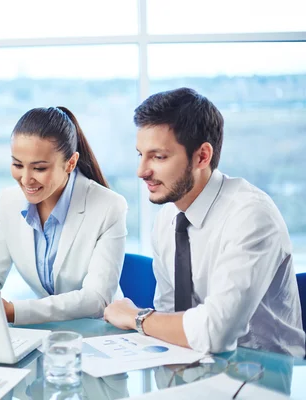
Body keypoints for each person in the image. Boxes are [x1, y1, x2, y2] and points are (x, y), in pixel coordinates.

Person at [103, 87, 305, 357]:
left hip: (264, 376)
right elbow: (168, 315)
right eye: (141, 155)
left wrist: (136, 317)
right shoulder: (167, 219)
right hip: (195, 366)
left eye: (158, 156)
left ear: (202, 156)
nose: (142, 171)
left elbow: (215, 331)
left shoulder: (251, 216)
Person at [0, 106, 127, 325]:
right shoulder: (9, 202)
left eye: (39, 168)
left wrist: (13, 311)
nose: (26, 179)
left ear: (71, 163)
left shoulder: (109, 206)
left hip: (100, 331)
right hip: (48, 332)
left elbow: (96, 299)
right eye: (17, 165)